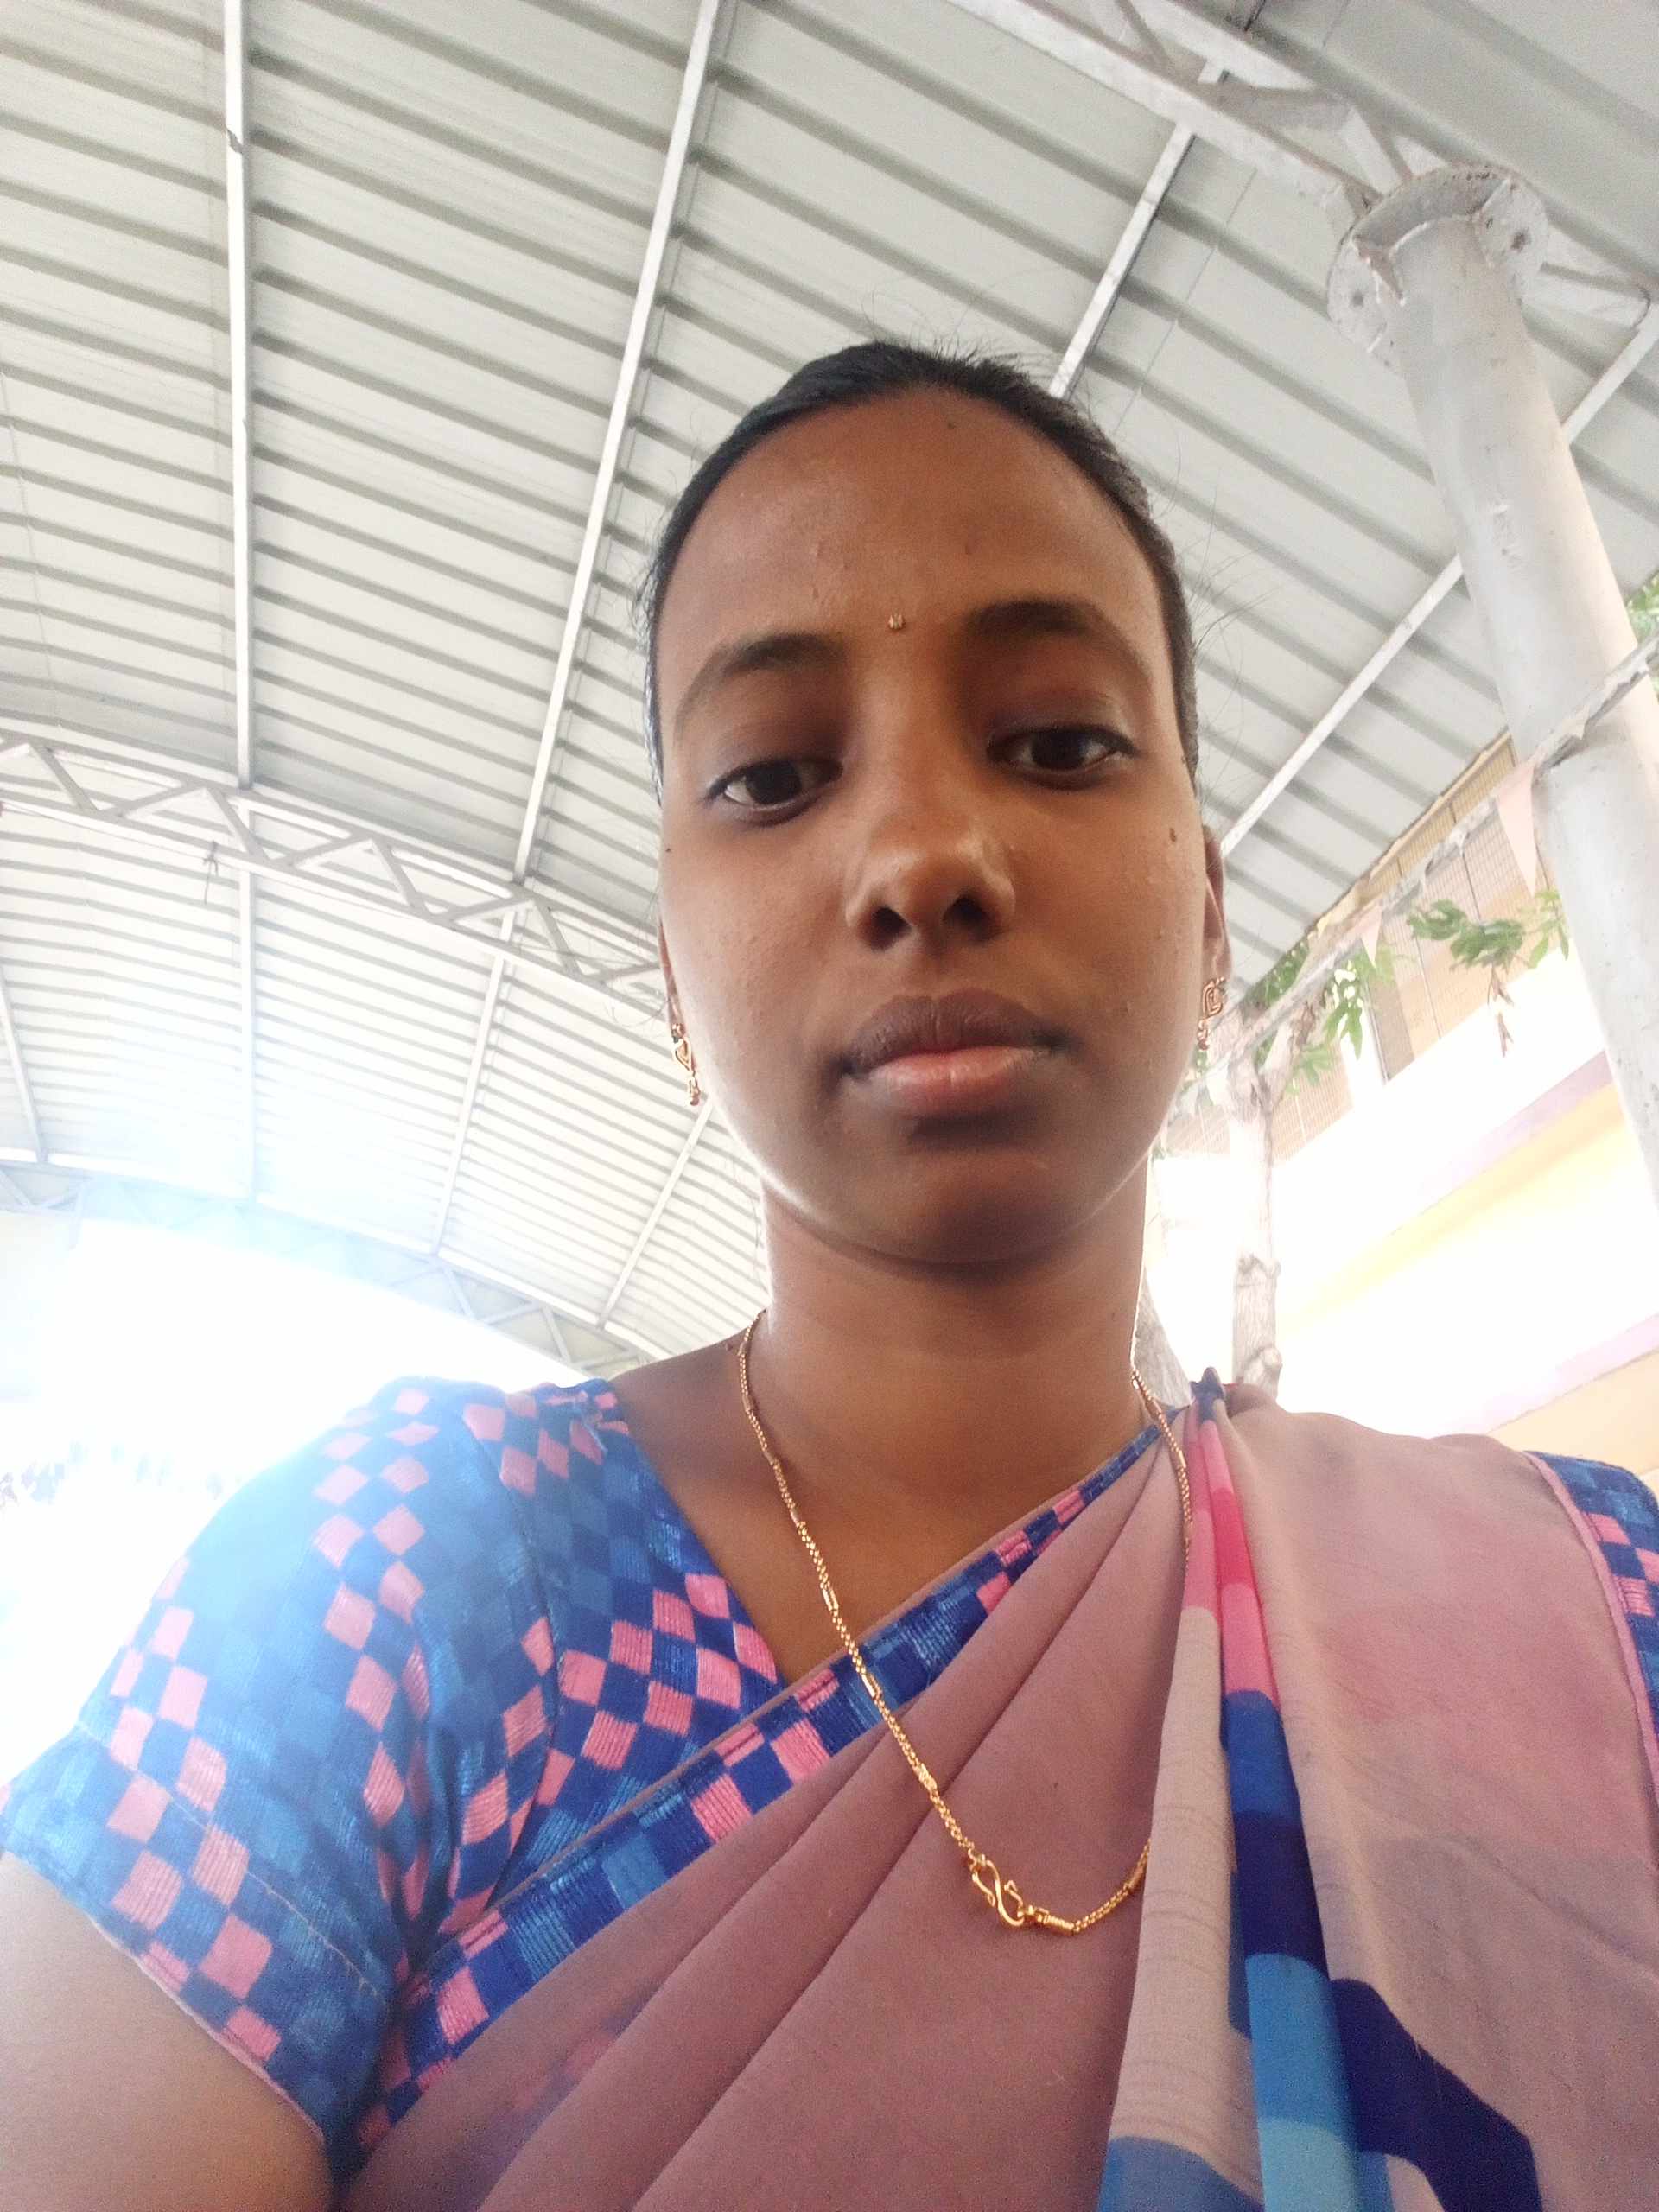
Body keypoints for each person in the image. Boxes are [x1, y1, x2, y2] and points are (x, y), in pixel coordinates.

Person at [3, 341, 1656, 2212]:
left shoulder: (1598, 1616)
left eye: (1059, 743)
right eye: (777, 774)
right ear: (675, 973)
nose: (925, 855)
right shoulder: (388, 1593)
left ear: (1208, 915)